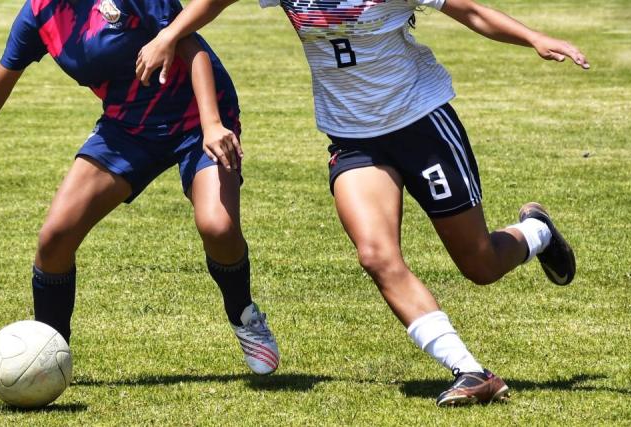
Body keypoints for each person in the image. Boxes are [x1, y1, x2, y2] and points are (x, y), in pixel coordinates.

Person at [134, 0, 588, 405]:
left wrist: (534, 38)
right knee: (375, 254)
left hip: (422, 126)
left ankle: (537, 231)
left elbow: (468, 10)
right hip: (352, 140)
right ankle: (471, 371)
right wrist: (169, 35)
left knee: (481, 264)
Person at [0, 0, 279, 376]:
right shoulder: (38, 15)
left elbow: (189, 46)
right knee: (55, 238)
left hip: (198, 117)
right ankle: (48, 355)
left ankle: (244, 315)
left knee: (218, 227)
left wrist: (211, 124)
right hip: (127, 129)